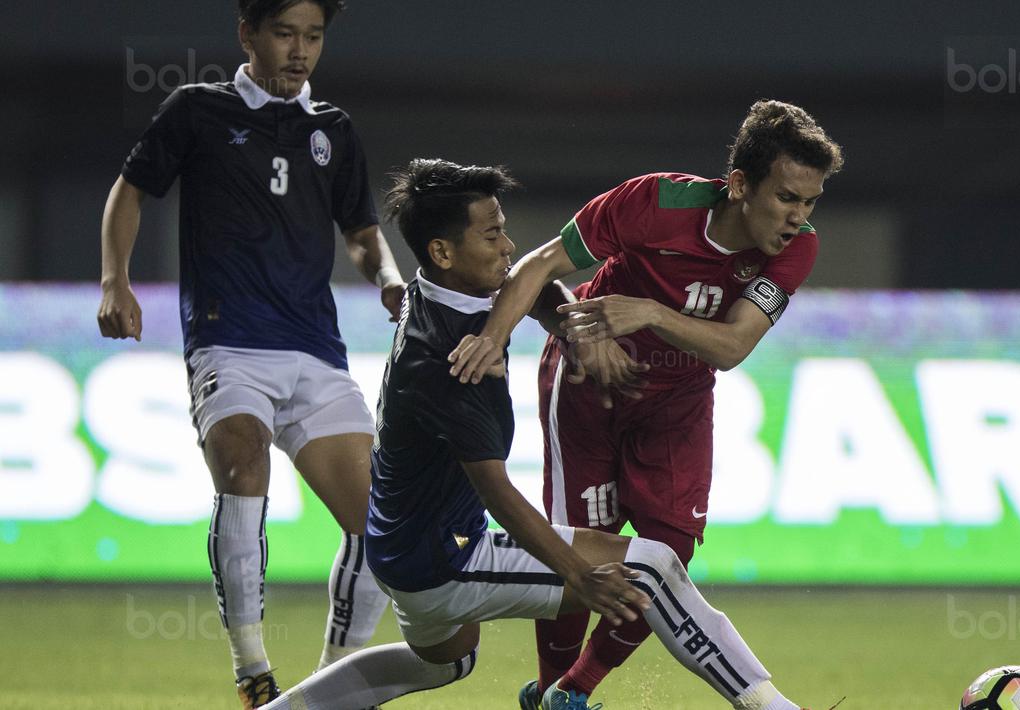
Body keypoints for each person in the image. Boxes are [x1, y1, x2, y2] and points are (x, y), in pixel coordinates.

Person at [258, 157, 816, 710]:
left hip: (402, 547)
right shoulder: (453, 362)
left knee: (447, 660)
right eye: (493, 234)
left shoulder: (438, 294)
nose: (508, 247)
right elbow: (497, 492)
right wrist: (579, 573)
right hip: (444, 557)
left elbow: (535, 287)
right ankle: (771, 707)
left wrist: (576, 329)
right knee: (653, 567)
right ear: (443, 252)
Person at [446, 99, 844, 708]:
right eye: (787, 197)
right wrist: (492, 340)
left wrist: (653, 313)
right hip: (586, 392)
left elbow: (734, 346)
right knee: (582, 550)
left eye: (810, 202)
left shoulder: (795, 249)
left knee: (672, 550)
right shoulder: (654, 202)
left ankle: (572, 692)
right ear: (739, 185)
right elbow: (541, 264)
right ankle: (552, 688)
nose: (798, 218)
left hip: (677, 404)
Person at [96, 1, 402, 706]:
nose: (300, 51)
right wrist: (116, 280)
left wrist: (385, 277)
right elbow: (130, 189)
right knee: (242, 461)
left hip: (315, 351)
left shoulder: (333, 129)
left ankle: (330, 684)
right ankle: (254, 672)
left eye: (314, 37)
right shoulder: (197, 110)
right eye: (285, 33)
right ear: (248, 34)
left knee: (379, 526)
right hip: (228, 339)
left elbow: (359, 229)